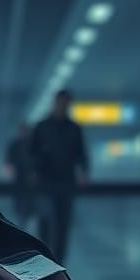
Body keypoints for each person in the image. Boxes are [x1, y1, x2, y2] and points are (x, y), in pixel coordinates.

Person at [30, 89, 88, 262]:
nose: (63, 107)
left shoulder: (74, 129)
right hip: (45, 182)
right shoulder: (41, 127)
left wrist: (83, 173)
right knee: (45, 223)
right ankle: (45, 261)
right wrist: (33, 172)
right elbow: (31, 152)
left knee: (63, 225)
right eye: (61, 103)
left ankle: (59, 263)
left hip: (66, 183)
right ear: (55, 104)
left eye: (66, 104)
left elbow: (81, 154)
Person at [4, 122, 35, 224]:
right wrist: (10, 173)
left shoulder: (33, 145)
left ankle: (24, 219)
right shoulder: (15, 144)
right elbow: (8, 161)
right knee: (19, 202)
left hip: (30, 179)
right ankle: (21, 220)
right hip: (18, 178)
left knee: (28, 202)